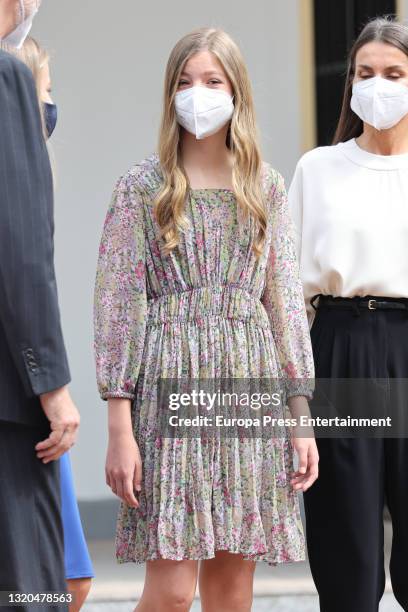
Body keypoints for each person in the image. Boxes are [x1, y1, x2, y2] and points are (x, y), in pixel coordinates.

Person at [94, 27, 318, 612]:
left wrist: (300, 415)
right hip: (169, 388)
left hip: (249, 386)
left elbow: (285, 303)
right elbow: (118, 307)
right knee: (169, 593)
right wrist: (119, 424)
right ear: (169, 96)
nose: (198, 93)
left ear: (236, 91)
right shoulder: (143, 189)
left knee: (231, 588)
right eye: (185, 82)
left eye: (212, 81)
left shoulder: (264, 188)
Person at [288, 15, 408, 612]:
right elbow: (285, 291)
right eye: (365, 73)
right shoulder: (318, 168)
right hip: (341, 343)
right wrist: (296, 400)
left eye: (393, 73)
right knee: (345, 534)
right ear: (350, 84)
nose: (377, 85)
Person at [0, 2, 80, 609]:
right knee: (31, 593)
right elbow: (21, 248)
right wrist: (50, 382)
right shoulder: (8, 76)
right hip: (9, 403)